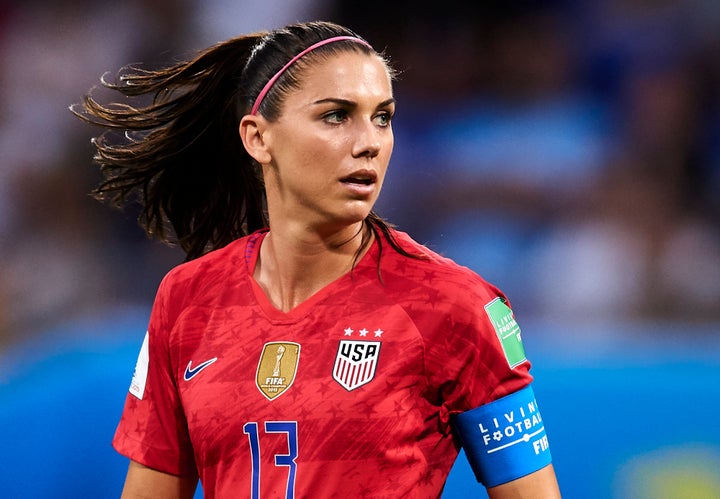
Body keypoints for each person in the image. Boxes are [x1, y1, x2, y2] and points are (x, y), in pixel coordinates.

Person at [72, 20, 561, 499]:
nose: (369, 141)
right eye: (336, 115)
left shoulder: (453, 305)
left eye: (382, 117)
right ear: (257, 138)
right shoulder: (186, 299)